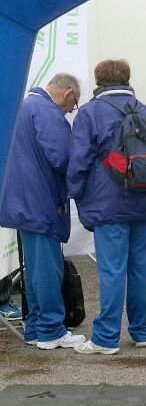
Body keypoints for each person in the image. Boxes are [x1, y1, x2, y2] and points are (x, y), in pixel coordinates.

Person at [67, 59, 146, 355]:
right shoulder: (144, 110)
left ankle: (106, 338)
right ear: (127, 79)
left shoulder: (90, 113)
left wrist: (75, 194)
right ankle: (141, 331)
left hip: (109, 207)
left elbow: (79, 162)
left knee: (112, 271)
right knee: (142, 270)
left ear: (98, 81)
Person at [0, 73, 85, 349]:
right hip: (41, 203)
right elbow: (62, 157)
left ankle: (36, 327)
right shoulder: (47, 112)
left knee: (34, 269)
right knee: (47, 267)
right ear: (68, 92)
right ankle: (51, 330)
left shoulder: (25, 106)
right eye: (73, 105)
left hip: (21, 203)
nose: (71, 111)